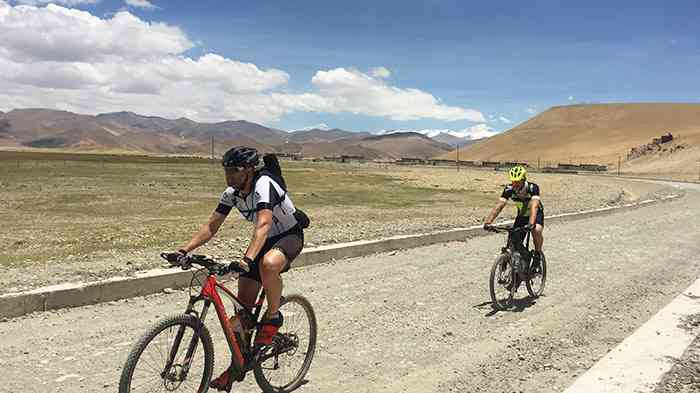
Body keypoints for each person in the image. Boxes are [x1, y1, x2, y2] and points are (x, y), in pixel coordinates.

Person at [175, 146, 305, 391]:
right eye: (226, 170)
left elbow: (264, 223)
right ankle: (238, 366)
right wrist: (184, 250)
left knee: (268, 265)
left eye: (234, 171)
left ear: (248, 171)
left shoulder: (263, 184)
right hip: (263, 239)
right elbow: (211, 226)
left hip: (288, 235)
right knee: (241, 314)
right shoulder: (231, 193)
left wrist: (246, 259)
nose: (229, 176)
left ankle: (273, 317)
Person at [483, 165, 544, 272]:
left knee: (537, 230)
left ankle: (537, 256)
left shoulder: (532, 188)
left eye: (517, 181)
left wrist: (531, 224)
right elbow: (499, 206)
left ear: (523, 179)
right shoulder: (509, 189)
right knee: (513, 238)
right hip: (522, 215)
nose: (514, 184)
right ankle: (516, 262)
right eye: (513, 181)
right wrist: (488, 222)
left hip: (536, 213)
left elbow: (534, 206)